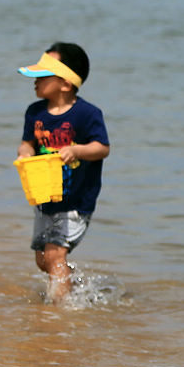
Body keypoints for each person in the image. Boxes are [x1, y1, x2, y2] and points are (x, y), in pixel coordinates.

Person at [15, 43, 110, 304]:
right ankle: (79, 287)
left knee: (55, 254)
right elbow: (27, 142)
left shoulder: (87, 114)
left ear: (65, 84)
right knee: (43, 260)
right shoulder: (35, 112)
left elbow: (102, 148)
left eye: (42, 76)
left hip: (76, 201)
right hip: (45, 197)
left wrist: (77, 150)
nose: (35, 81)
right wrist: (24, 153)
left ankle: (59, 317)